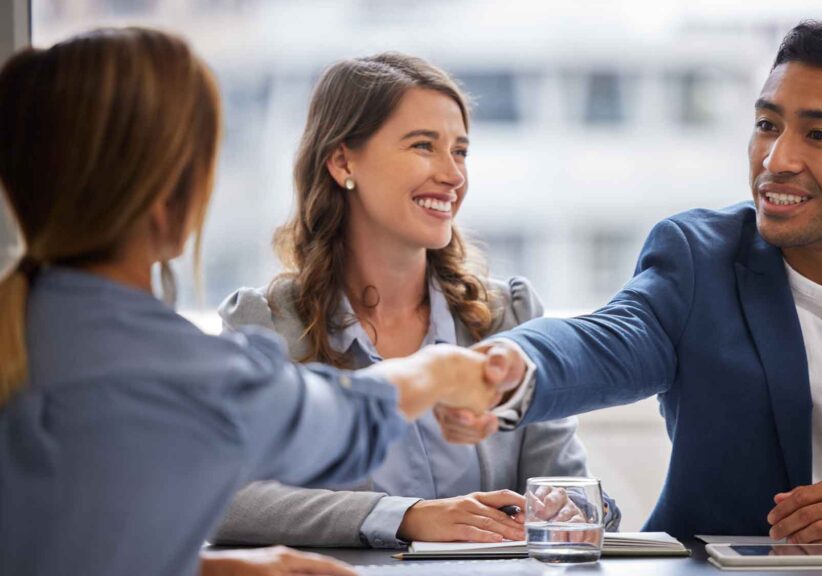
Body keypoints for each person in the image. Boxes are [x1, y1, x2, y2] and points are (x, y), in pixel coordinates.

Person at [440, 21, 822, 545]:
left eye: (818, 135)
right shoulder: (698, 257)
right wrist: (506, 371)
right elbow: (607, 340)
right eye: (768, 124)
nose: (776, 160)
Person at [0, 28, 510, 576]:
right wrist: (437, 371)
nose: (452, 172)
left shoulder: (38, 330)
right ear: (167, 193)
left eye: (460, 150)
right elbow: (344, 418)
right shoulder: (181, 369)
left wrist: (208, 570)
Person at [210, 53, 620, 550]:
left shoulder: (508, 316)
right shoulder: (267, 325)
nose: (453, 175)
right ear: (342, 162)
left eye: (461, 151)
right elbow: (226, 501)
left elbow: (565, 484)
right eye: (424, 146)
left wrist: (572, 506)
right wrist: (405, 517)